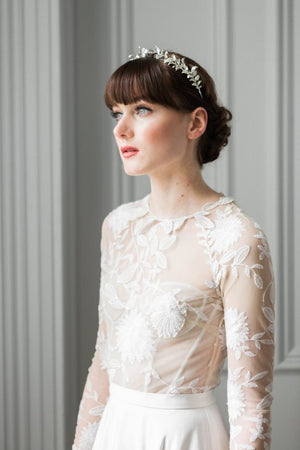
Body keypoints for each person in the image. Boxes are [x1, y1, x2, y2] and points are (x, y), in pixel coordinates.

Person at [73, 46, 275, 450]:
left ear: (195, 123)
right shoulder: (118, 225)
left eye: (142, 110)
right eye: (117, 113)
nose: (121, 129)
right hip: (113, 433)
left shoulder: (236, 237)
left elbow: (251, 400)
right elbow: (103, 362)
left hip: (184, 437)